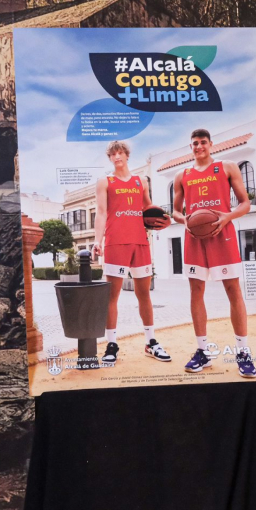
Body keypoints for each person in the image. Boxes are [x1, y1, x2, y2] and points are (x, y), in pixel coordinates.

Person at [171, 128, 256, 378]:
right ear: (191, 147)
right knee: (196, 291)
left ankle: (243, 352)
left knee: (233, 290)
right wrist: (185, 220)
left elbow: (245, 203)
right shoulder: (182, 175)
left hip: (223, 234)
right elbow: (176, 211)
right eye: (194, 143)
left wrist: (228, 216)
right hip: (194, 238)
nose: (199, 146)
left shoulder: (227, 166)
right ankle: (202, 351)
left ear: (211, 145)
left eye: (203, 142)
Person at [92, 140, 171, 365]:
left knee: (144, 294)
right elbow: (100, 211)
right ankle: (111, 344)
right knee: (112, 296)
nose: (117, 157)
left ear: (127, 155)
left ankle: (151, 342)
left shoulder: (141, 181)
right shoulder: (104, 181)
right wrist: (98, 240)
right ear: (110, 158)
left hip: (140, 242)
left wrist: (162, 220)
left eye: (120, 153)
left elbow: (148, 208)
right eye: (113, 154)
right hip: (116, 242)